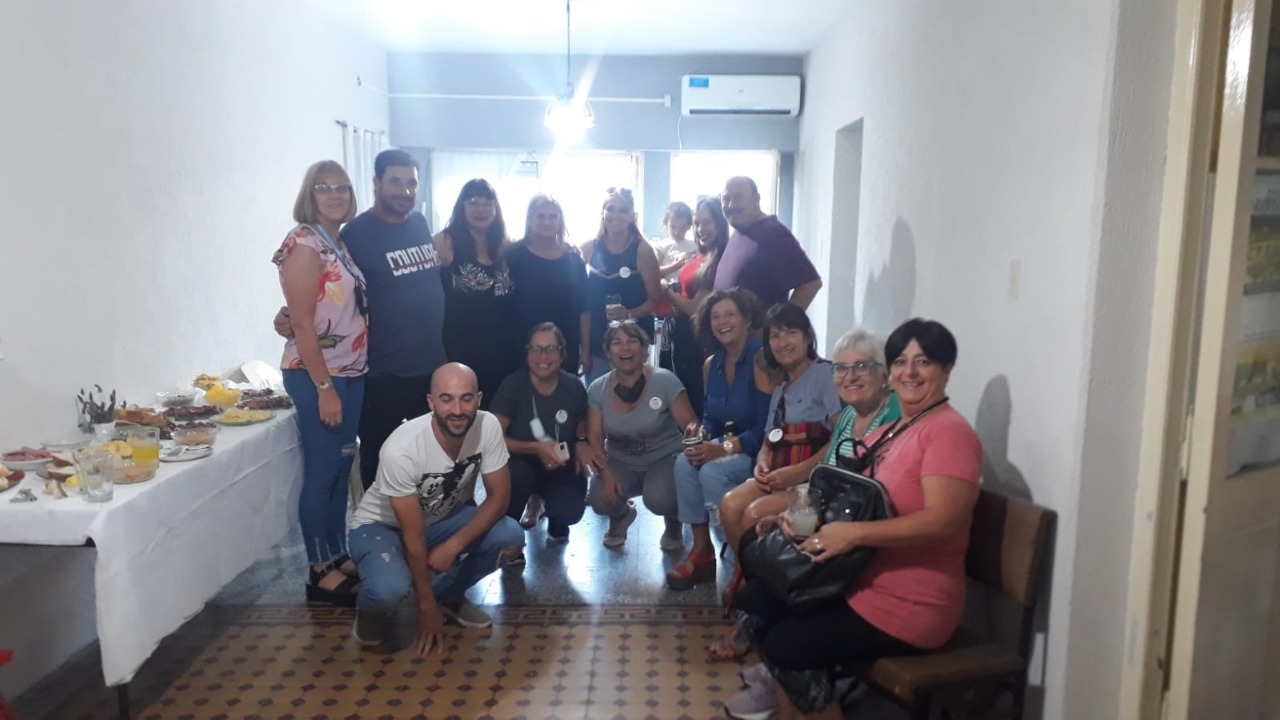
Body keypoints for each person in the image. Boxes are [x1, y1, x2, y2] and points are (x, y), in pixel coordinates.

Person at [723, 318, 983, 720]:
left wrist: (854, 535)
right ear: (891, 371)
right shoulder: (893, 430)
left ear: (946, 370)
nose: (910, 372)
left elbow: (942, 521)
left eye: (924, 362)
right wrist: (791, 518)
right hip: (856, 579)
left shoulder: (948, 433)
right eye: (901, 362)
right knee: (755, 602)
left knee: (787, 644)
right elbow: (846, 497)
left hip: (910, 601)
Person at [712, 324, 897, 664]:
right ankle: (760, 615)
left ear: (883, 374)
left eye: (861, 366)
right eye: (842, 368)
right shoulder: (848, 415)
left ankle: (771, 621)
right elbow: (825, 471)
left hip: (852, 527)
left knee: (759, 530)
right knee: (754, 535)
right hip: (828, 507)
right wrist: (793, 511)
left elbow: (870, 492)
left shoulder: (893, 416)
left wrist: (800, 498)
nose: (849, 376)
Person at [276, 149, 446, 488]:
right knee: (380, 461)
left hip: (428, 368)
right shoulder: (356, 234)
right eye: (395, 182)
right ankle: (378, 522)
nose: (404, 191)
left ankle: (427, 522)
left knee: (432, 461)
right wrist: (291, 317)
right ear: (376, 183)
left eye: (412, 183)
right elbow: (329, 285)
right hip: (382, 371)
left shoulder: (419, 223)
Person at [346, 363, 524, 651]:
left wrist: (454, 545)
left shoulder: (488, 425)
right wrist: (426, 609)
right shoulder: (401, 449)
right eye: (446, 399)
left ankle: (447, 595)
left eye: (466, 398)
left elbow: (499, 498)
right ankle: (370, 610)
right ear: (431, 402)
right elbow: (412, 534)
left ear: (478, 399)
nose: (457, 410)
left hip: (438, 518)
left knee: (510, 533)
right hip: (380, 526)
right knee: (388, 589)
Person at [274, 160, 368, 606]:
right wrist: (324, 388)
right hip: (318, 376)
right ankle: (318, 569)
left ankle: (336, 553)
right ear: (309, 195)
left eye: (342, 187)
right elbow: (302, 325)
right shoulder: (303, 243)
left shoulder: (338, 242)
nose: (335, 195)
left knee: (340, 468)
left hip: (351, 371)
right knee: (322, 472)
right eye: (324, 188)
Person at [667, 288, 772, 590]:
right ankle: (702, 551)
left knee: (712, 471)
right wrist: (701, 434)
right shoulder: (711, 363)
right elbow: (711, 418)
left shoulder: (761, 359)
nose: (722, 322)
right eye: (715, 317)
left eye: (730, 315)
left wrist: (721, 449)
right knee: (683, 464)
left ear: (747, 320)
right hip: (725, 445)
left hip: (759, 451)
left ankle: (743, 560)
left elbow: (767, 427)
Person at [584, 320, 699, 550]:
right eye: (617, 343)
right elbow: (595, 437)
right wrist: (605, 474)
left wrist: (693, 455)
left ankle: (673, 521)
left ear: (645, 349)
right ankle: (622, 516)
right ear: (607, 352)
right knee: (599, 499)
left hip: (664, 459)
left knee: (660, 497)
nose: (625, 348)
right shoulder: (597, 388)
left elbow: (691, 424)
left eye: (632, 341)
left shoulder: (665, 380)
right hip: (620, 462)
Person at [491, 323, 601, 557]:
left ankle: (556, 518)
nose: (543, 356)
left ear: (562, 354)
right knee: (513, 477)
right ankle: (511, 535)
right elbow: (492, 439)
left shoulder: (573, 386)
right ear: (527, 353)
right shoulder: (513, 385)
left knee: (570, 511)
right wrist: (535, 448)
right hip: (520, 462)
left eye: (551, 349)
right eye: (536, 349)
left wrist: (582, 441)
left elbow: (581, 419)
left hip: (561, 461)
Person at [434, 179, 517, 409]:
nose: (481, 209)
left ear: (496, 208)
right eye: (473, 202)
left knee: (496, 419)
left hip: (502, 355)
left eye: (487, 203)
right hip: (459, 353)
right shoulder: (444, 243)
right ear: (461, 207)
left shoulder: (505, 246)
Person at [582, 187, 663, 384]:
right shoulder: (588, 248)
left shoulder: (643, 250)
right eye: (610, 208)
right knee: (597, 397)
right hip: (597, 343)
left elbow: (654, 300)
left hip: (632, 345)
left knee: (633, 397)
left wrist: (629, 314)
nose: (616, 215)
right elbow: (581, 304)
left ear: (632, 216)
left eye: (623, 210)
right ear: (602, 213)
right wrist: (583, 349)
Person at [506, 194, 591, 375]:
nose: (547, 222)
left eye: (552, 217)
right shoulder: (513, 255)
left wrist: (586, 350)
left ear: (560, 221)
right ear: (529, 220)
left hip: (565, 347)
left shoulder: (574, 259)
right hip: (521, 348)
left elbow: (584, 310)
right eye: (541, 216)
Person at [664, 196, 730, 419]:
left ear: (720, 222)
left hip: (697, 340)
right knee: (682, 396)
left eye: (707, 222)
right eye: (697, 223)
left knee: (696, 399)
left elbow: (694, 309)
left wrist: (666, 290)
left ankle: (701, 439)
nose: (701, 229)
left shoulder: (718, 259)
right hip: (682, 336)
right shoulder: (702, 255)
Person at [715, 176, 822, 310]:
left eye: (738, 197)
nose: (731, 205)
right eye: (726, 199)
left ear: (756, 199)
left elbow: (811, 284)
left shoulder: (774, 234)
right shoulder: (739, 232)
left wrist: (782, 320)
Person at [652, 201, 697, 282]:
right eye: (673, 227)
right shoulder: (662, 246)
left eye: (682, 227)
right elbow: (655, 271)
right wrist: (674, 267)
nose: (677, 232)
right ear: (666, 224)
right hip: (669, 286)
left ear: (689, 226)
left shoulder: (694, 246)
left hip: (690, 285)